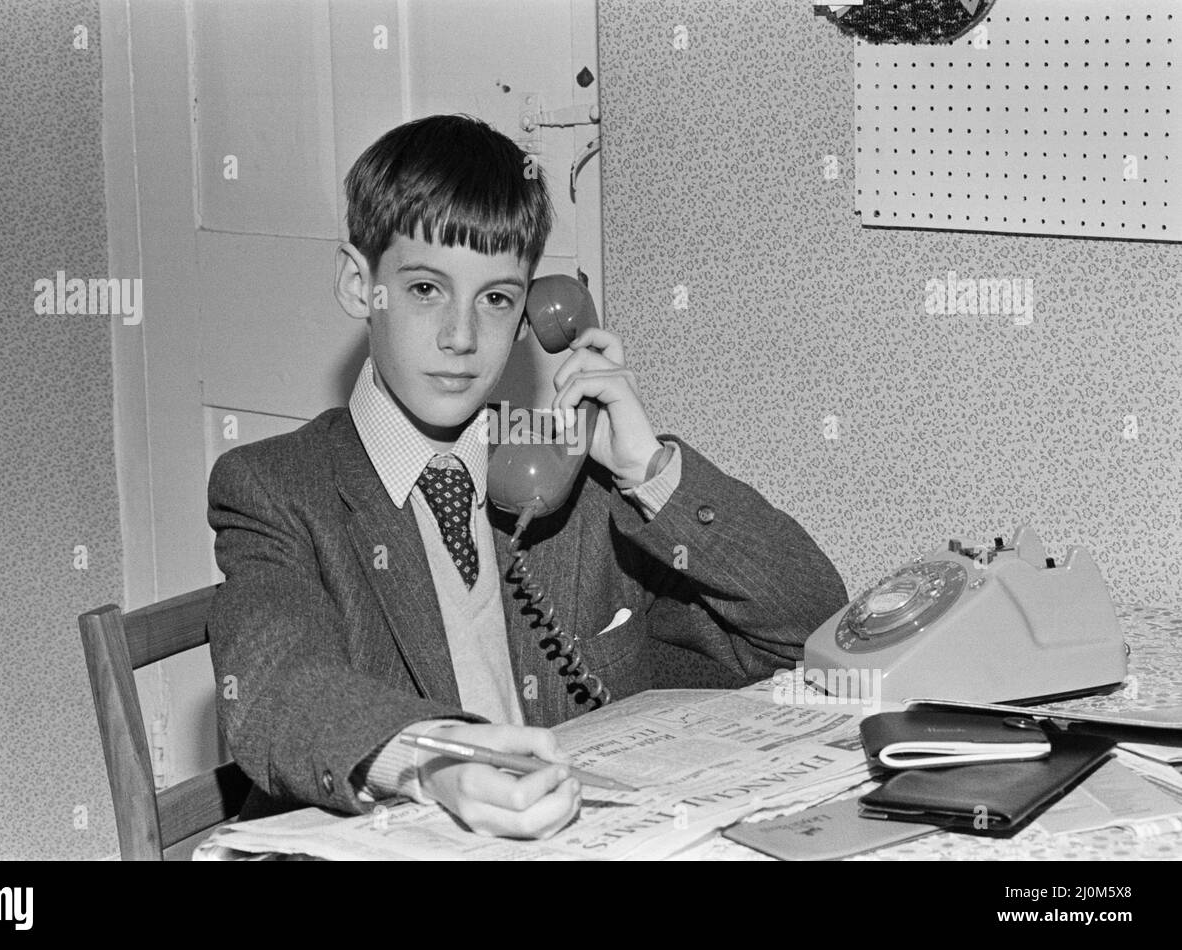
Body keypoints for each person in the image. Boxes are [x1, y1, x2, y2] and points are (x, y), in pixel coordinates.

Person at [206, 114, 848, 840]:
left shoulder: (573, 486)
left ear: (530, 314)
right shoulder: (274, 489)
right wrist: (436, 762)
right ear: (361, 285)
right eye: (424, 289)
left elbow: (812, 627)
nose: (460, 336)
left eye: (497, 298)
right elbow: (273, 690)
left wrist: (648, 471)